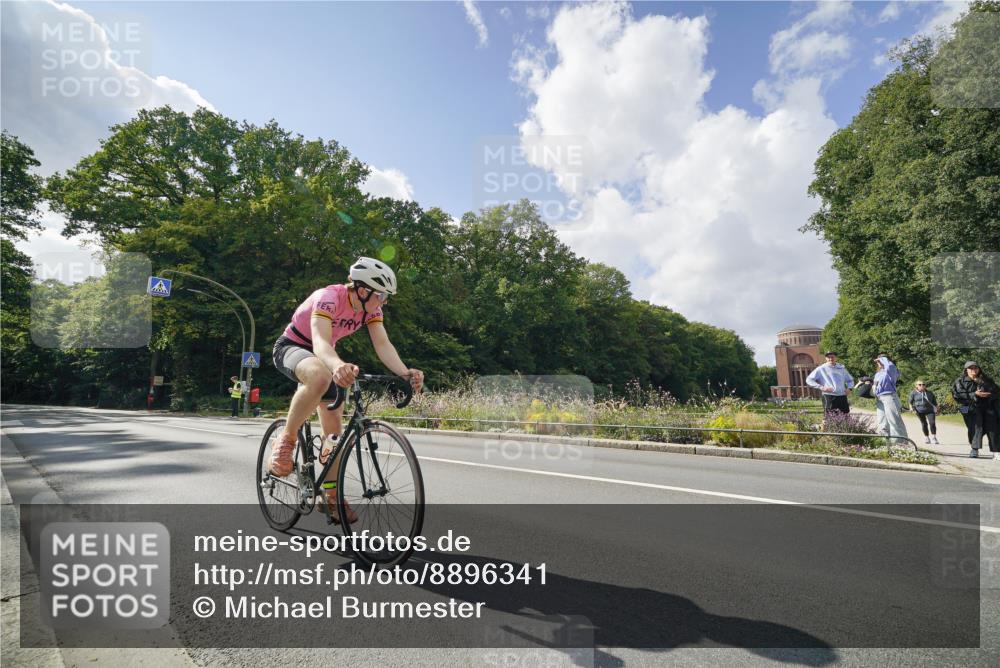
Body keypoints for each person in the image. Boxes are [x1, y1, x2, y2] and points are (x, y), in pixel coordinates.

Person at [270, 257, 425, 520]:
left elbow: (382, 344)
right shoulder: (329, 297)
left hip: (326, 355)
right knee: (320, 377)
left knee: (334, 437)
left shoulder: (371, 310)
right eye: (381, 295)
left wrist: (404, 373)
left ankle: (331, 497)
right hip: (293, 346)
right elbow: (320, 342)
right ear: (362, 290)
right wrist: (337, 365)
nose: (384, 301)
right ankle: (286, 440)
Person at [951, 361, 1000, 459]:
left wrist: (989, 394)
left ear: (979, 369)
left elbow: (997, 392)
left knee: (993, 428)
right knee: (974, 428)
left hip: (987, 407)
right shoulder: (960, 381)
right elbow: (957, 395)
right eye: (971, 368)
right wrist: (975, 394)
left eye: (975, 368)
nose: (974, 370)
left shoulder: (986, 380)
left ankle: (996, 451)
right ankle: (974, 449)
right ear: (966, 370)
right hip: (967, 407)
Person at [872, 354, 907, 442]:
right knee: (882, 421)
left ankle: (900, 442)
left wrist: (883, 359)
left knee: (894, 420)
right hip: (879, 398)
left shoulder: (891, 370)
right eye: (878, 361)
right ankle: (885, 442)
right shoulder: (878, 374)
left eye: (881, 360)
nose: (879, 362)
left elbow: (889, 366)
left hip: (889, 396)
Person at [907, 380, 939, 445]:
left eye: (923, 384)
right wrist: (911, 408)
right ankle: (927, 437)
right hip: (919, 411)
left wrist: (937, 410)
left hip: (930, 410)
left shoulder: (929, 393)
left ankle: (934, 437)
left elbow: (935, 403)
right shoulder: (913, 393)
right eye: (920, 384)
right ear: (916, 386)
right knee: (924, 424)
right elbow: (910, 402)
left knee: (932, 423)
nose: (922, 386)